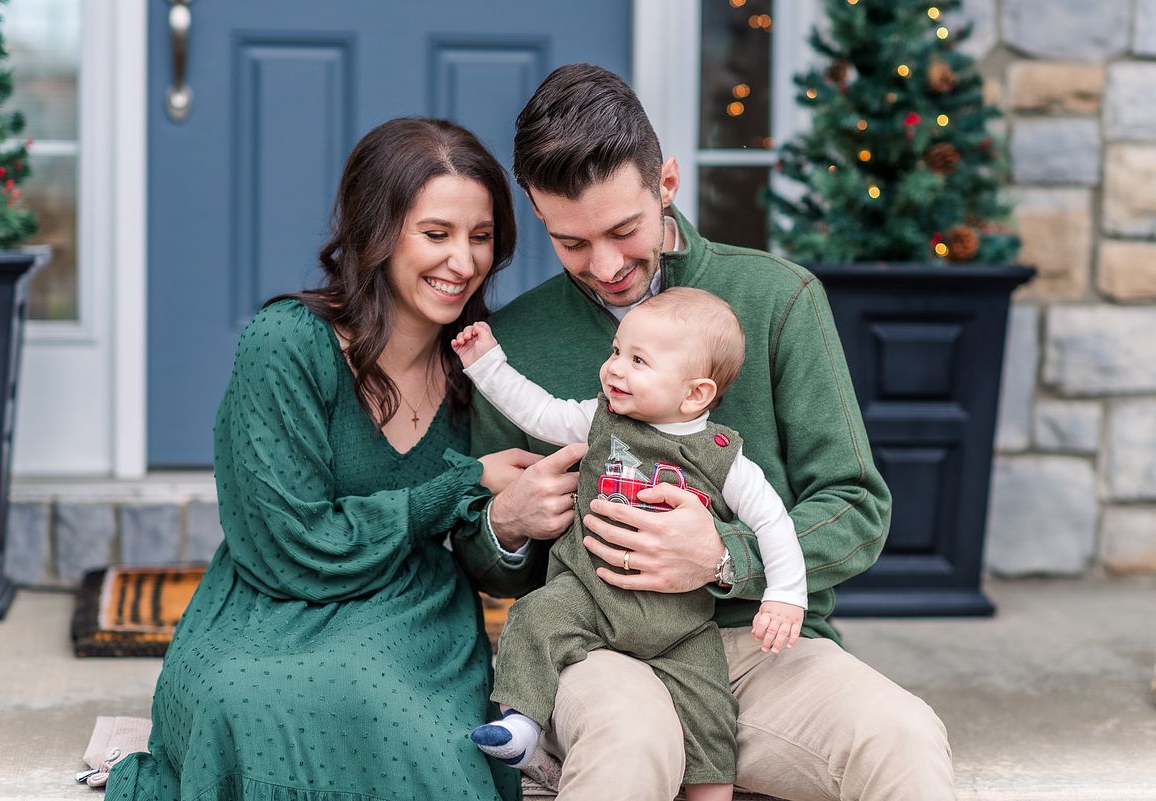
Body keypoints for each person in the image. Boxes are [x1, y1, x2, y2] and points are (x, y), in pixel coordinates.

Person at [470, 64, 957, 801]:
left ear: (665, 182)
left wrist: (726, 557)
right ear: (539, 214)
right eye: (571, 242)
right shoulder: (517, 344)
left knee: (903, 735)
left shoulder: (778, 299)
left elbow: (857, 504)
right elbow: (489, 564)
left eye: (623, 230)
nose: (604, 266)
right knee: (630, 743)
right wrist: (506, 524)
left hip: (760, 652)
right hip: (598, 647)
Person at [104, 117, 559, 801]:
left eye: (482, 236)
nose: (463, 261)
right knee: (243, 701)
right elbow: (286, 544)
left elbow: (481, 548)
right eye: (435, 234)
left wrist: (511, 521)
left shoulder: (485, 367)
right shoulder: (284, 344)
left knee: (391, 717)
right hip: (267, 604)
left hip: (412, 612)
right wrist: (458, 485)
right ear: (376, 231)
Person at [452, 288, 808, 801]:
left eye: (638, 361)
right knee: (534, 617)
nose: (614, 369)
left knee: (710, 712)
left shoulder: (724, 457)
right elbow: (537, 412)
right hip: (590, 597)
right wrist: (486, 363)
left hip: (682, 626)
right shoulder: (599, 420)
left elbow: (774, 523)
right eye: (616, 351)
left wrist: (785, 595)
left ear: (695, 395)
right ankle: (521, 725)